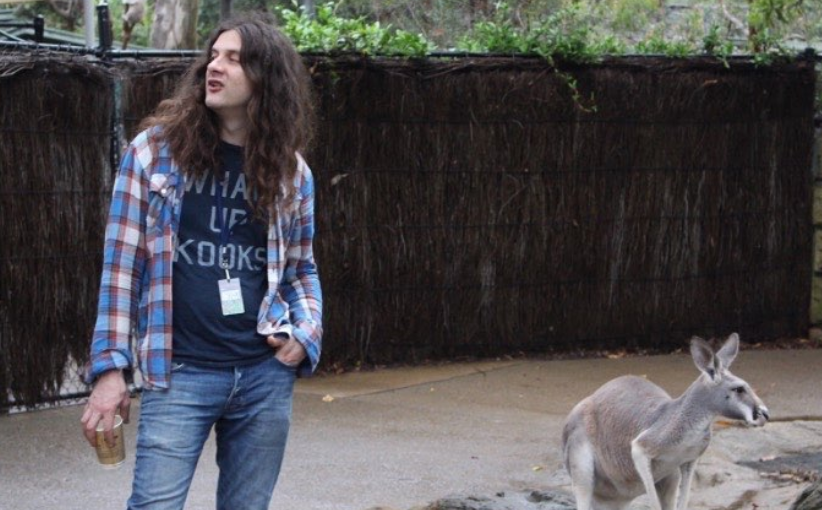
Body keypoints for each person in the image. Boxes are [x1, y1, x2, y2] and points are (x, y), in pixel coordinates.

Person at [80, 14, 322, 510]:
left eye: (233, 59)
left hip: (263, 374)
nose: (215, 66)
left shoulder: (290, 173)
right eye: (213, 56)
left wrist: (306, 333)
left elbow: (302, 269)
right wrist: (110, 370)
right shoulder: (153, 154)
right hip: (180, 372)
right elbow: (120, 270)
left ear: (266, 78)